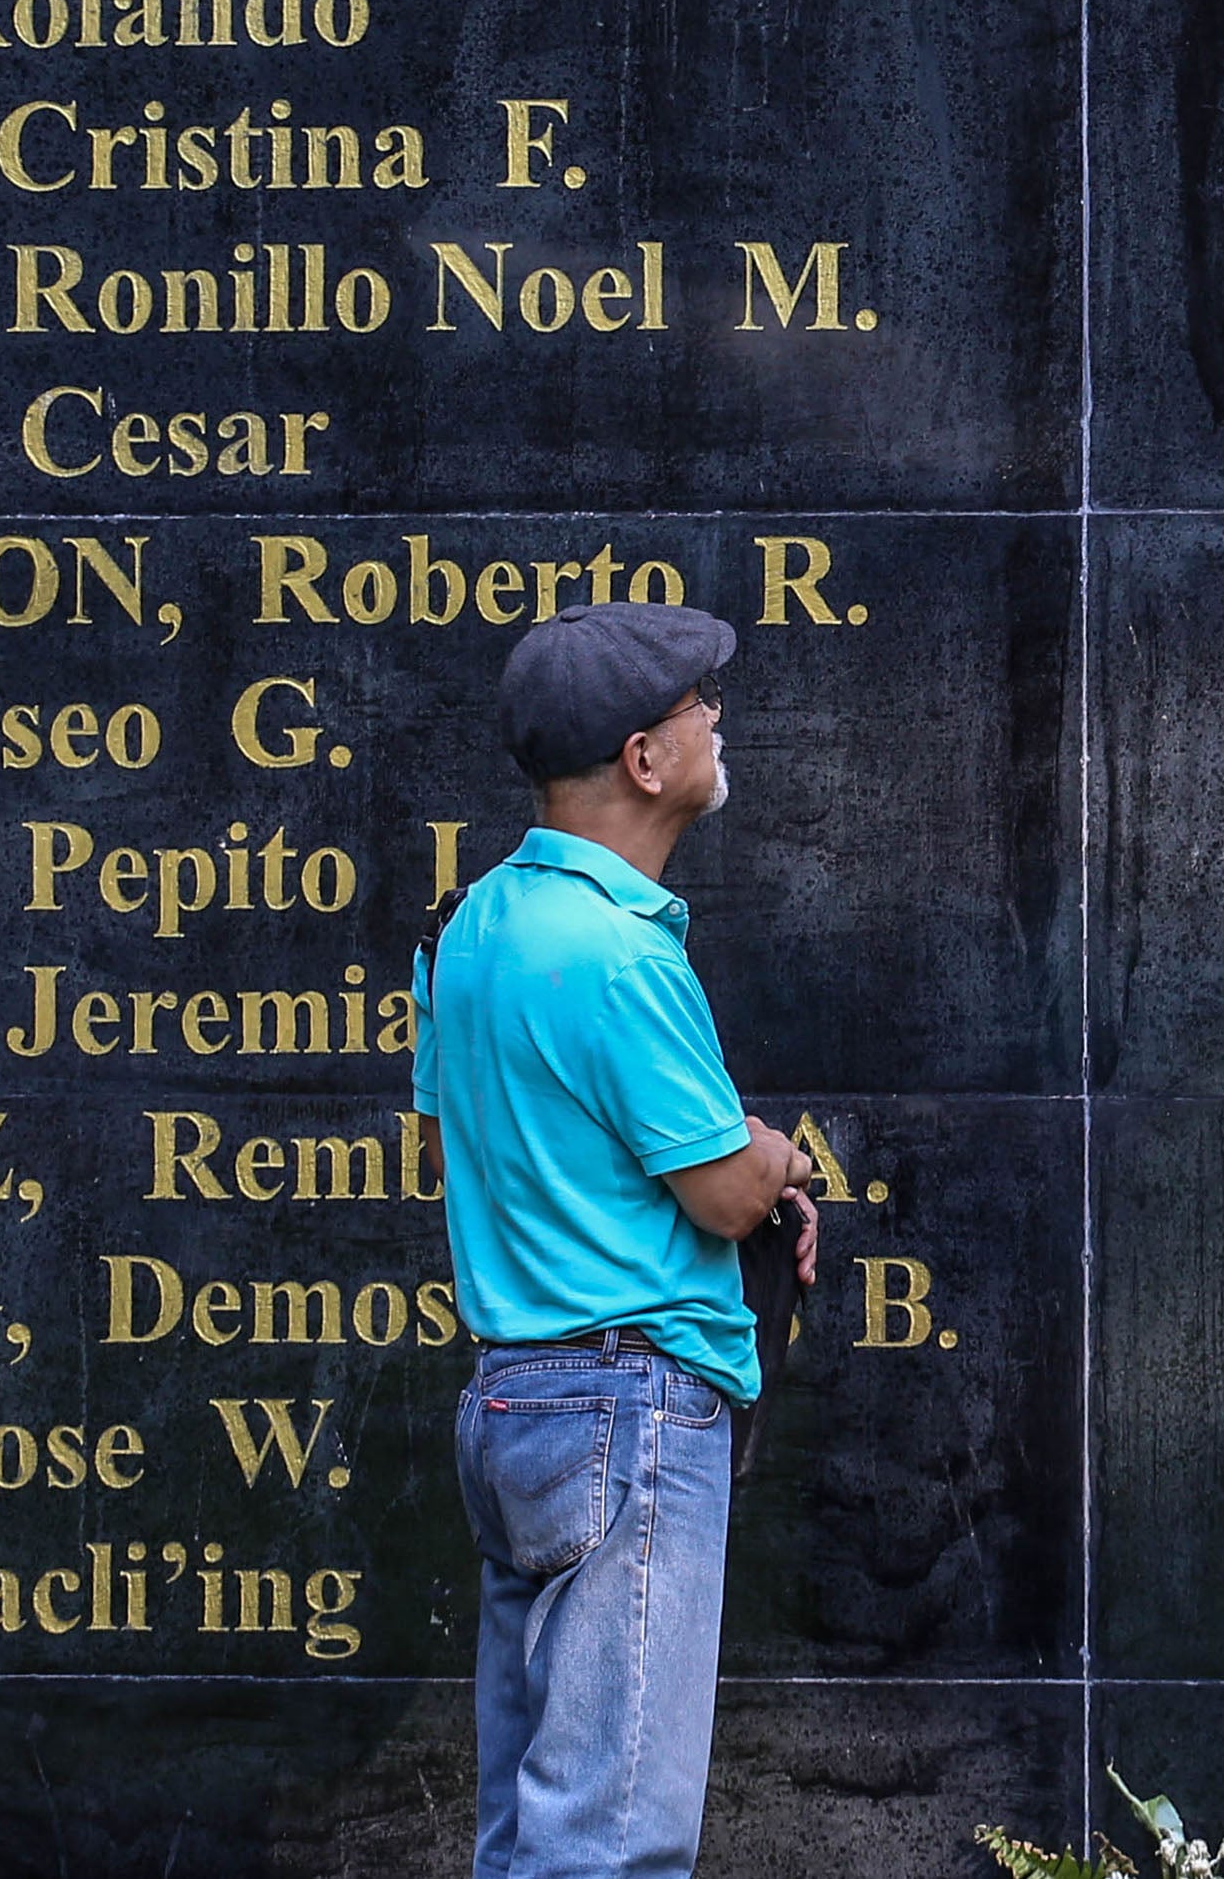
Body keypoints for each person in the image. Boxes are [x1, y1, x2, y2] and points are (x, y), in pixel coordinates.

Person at [409, 599, 818, 1879]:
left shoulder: (476, 926)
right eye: (700, 705)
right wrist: (780, 1158)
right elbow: (724, 1195)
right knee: (611, 1842)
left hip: (514, 1401)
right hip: (628, 1415)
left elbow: (460, 1142)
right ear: (645, 760)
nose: (716, 721)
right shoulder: (621, 952)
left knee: (527, 1828)